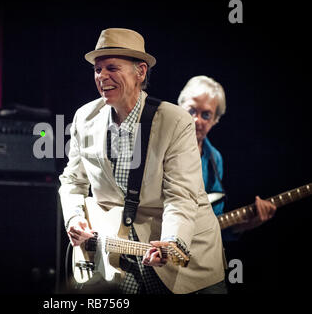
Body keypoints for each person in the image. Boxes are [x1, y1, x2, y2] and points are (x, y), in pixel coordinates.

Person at [59, 28, 226, 294]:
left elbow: (181, 196)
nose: (101, 76)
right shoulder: (84, 117)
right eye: (97, 69)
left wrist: (171, 243)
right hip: (121, 255)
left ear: (141, 72)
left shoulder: (175, 121)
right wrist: (74, 219)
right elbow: (72, 181)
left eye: (111, 68)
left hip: (185, 261)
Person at [177, 75, 277, 235]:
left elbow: (213, 226)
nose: (197, 120)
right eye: (191, 110)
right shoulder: (159, 145)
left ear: (215, 120)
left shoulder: (215, 159)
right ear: (179, 106)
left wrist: (248, 224)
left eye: (206, 115)